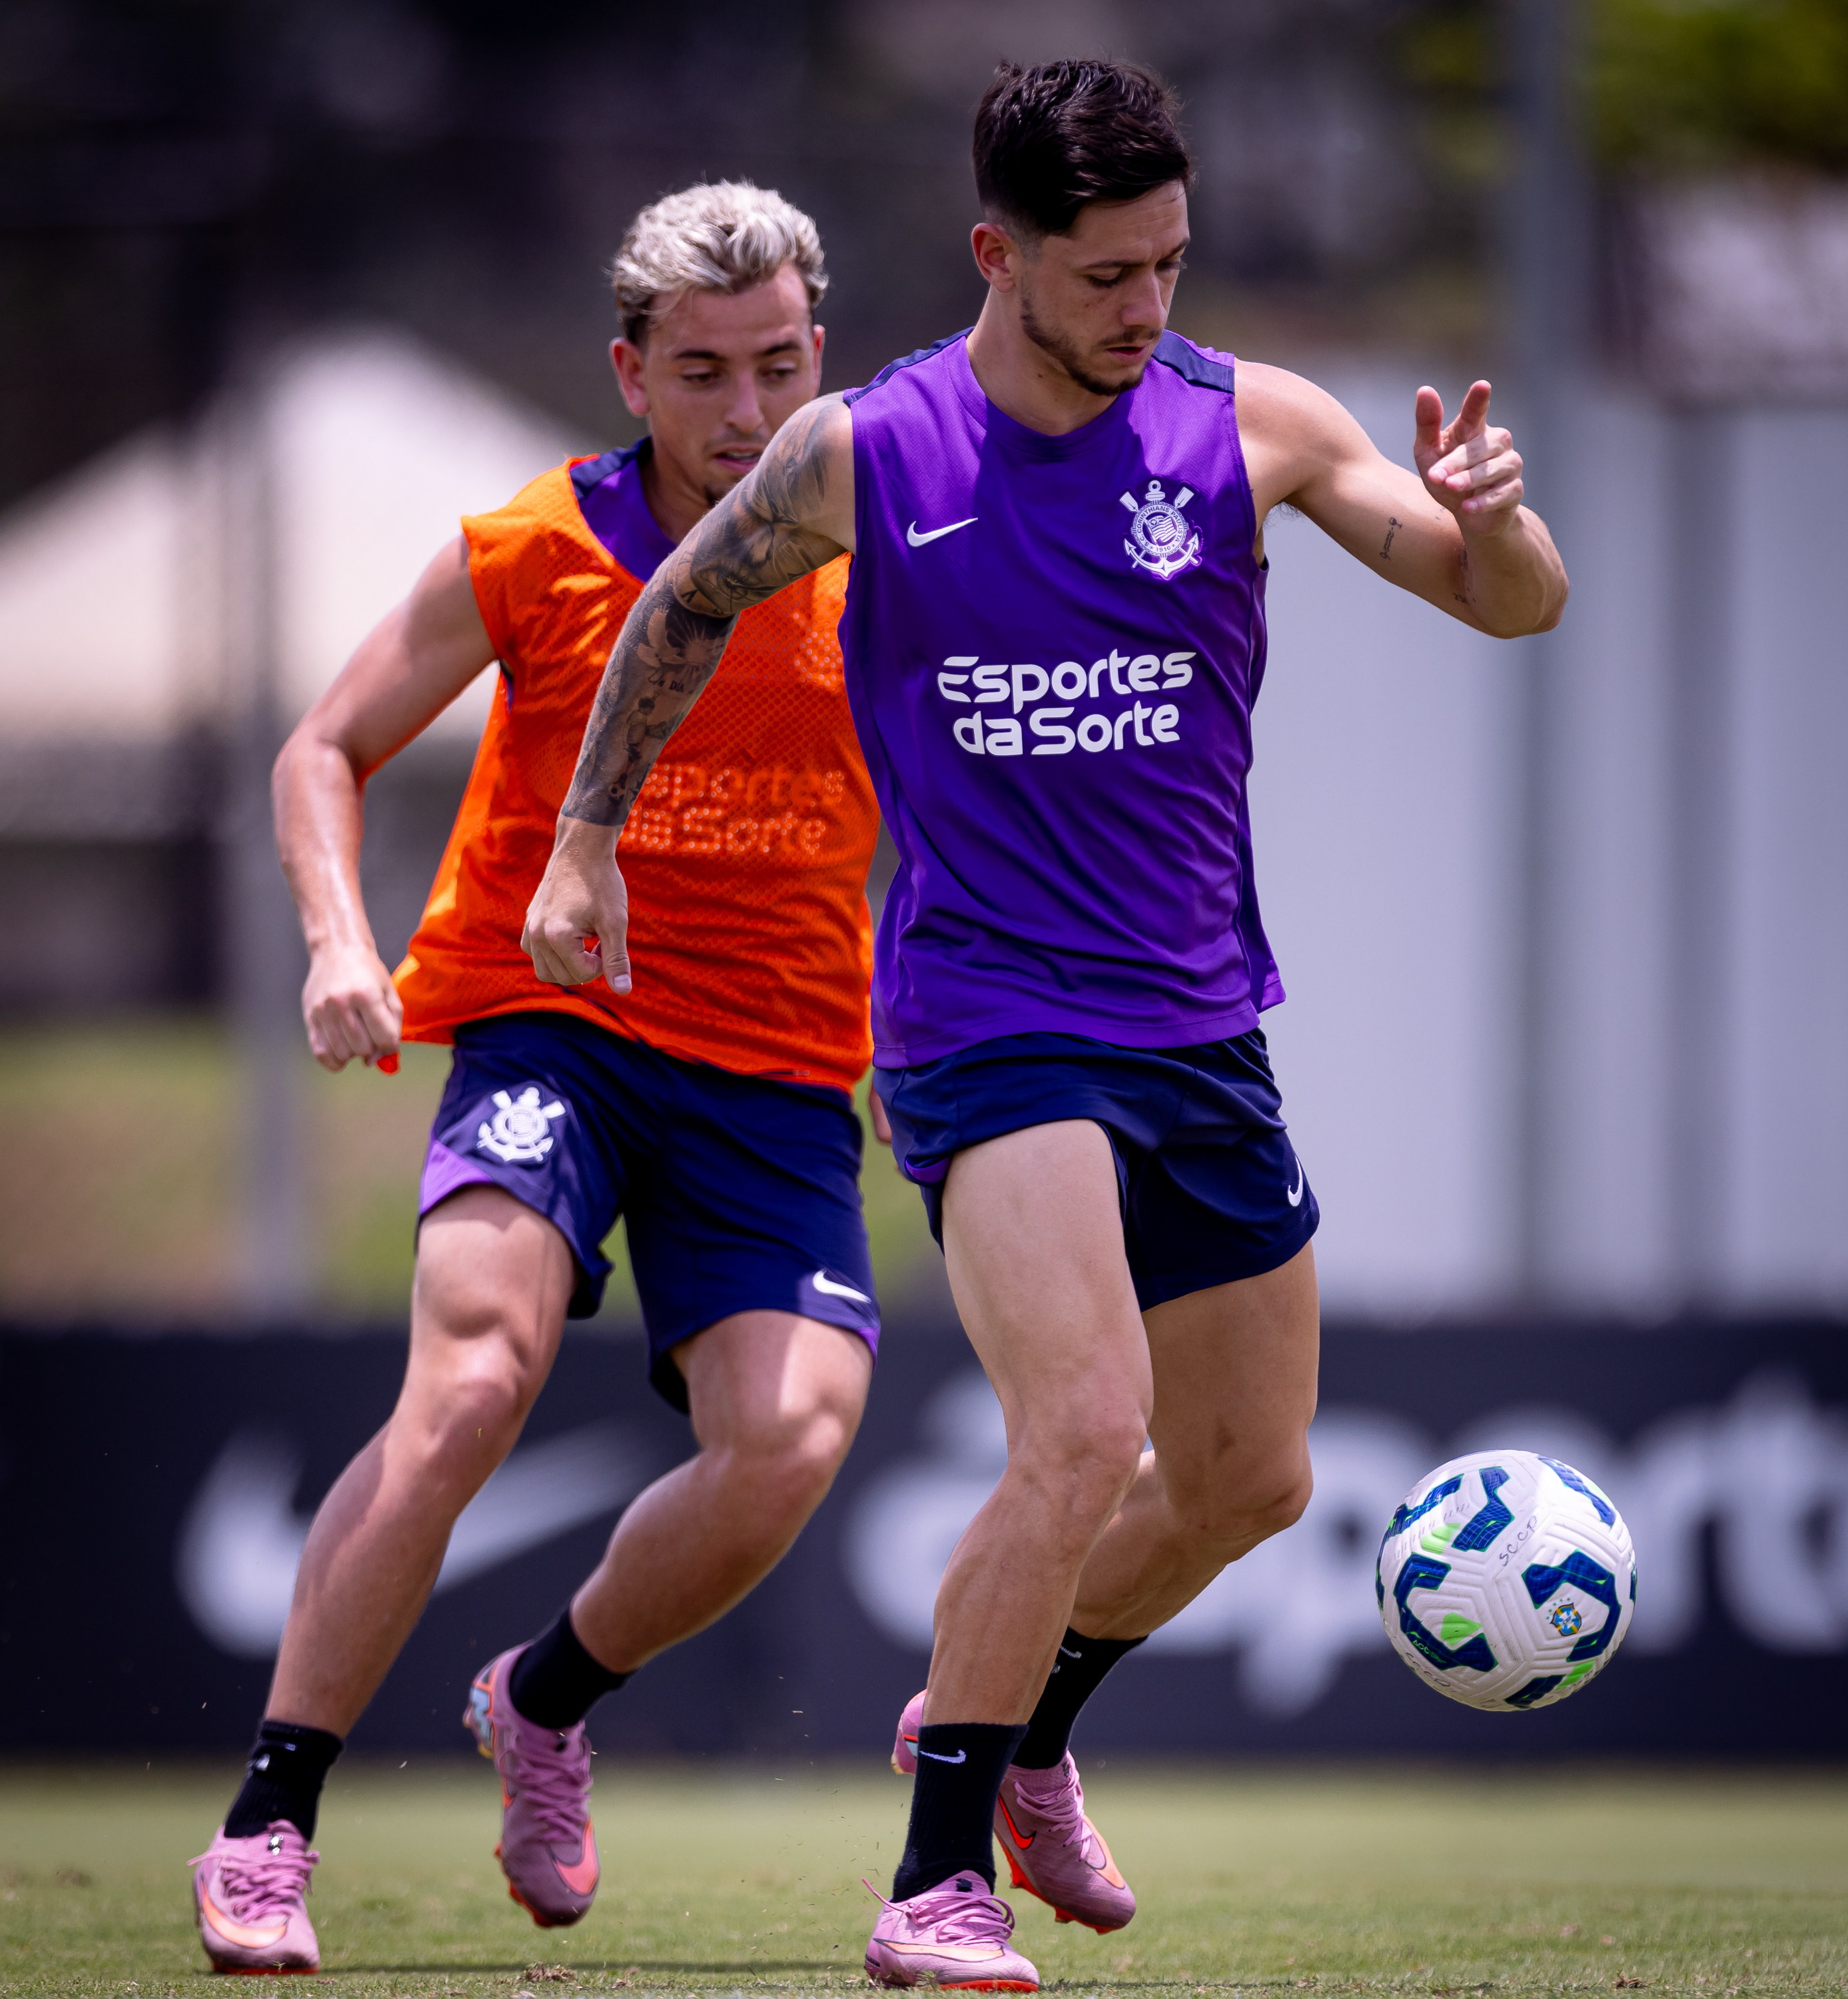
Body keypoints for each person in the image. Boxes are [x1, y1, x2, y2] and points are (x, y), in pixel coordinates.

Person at [522, 59, 1570, 1996]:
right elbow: (675, 607)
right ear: (998, 254)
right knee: (1082, 1428)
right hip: (985, 1022)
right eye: (1106, 276)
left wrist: (1492, 523)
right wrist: (586, 840)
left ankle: (1024, 1731)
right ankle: (933, 1881)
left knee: (1254, 1479)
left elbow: (1505, 607)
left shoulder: (1252, 424)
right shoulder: (869, 450)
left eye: (1171, 262)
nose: (1148, 306)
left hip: (1199, 1022)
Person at [189, 183, 886, 1976]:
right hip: (549, 1018)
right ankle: (270, 1825)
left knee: (795, 1435)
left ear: (827, 357)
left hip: (783, 1064)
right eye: (707, 373)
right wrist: (343, 943)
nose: (748, 413)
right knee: (478, 1372)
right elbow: (323, 748)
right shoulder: (532, 544)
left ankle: (547, 1701)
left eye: (784, 366)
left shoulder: (892, 548)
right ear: (632, 376)